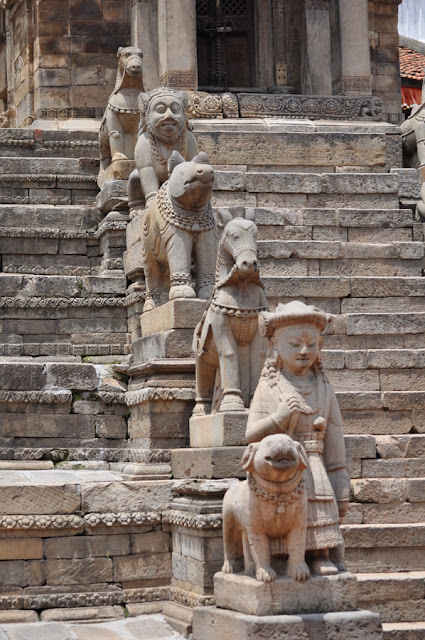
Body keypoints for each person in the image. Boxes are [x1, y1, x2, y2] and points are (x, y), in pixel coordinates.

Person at [245, 300, 350, 575]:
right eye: (294, 345)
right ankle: (284, 558)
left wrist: (340, 474)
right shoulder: (269, 385)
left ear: (320, 348)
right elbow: (250, 435)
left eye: (311, 345)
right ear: (276, 347)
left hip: (315, 466)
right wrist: (277, 418)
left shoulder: (324, 387)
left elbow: (335, 441)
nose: (304, 351)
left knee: (320, 501)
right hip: (282, 471)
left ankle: (320, 553)